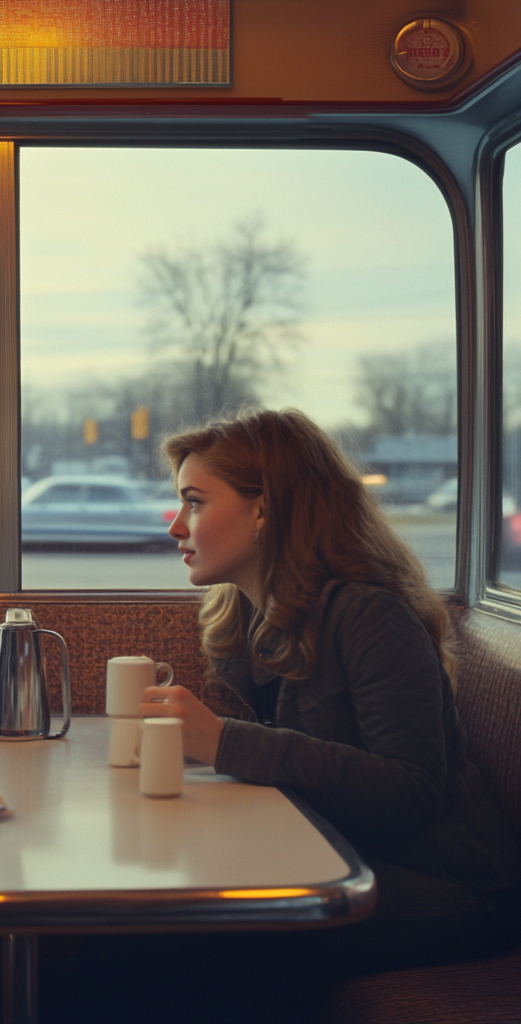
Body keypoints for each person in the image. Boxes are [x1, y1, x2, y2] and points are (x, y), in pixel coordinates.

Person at [56, 408, 521, 1024]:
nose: (175, 526)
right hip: (338, 849)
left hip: (449, 885)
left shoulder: (368, 612)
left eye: (194, 503)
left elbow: (413, 791)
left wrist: (223, 741)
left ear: (265, 508)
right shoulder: (250, 614)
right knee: (131, 942)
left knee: (171, 950)